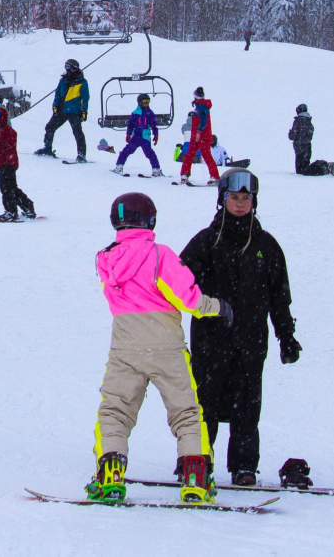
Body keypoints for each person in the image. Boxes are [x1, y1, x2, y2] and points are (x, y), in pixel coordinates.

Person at [89, 192, 229, 506]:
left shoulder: (105, 259)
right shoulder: (160, 255)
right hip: (167, 346)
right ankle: (196, 478)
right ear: (150, 219)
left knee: (116, 410)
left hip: (125, 346)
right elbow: (188, 299)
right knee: (186, 413)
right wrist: (217, 307)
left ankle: (110, 473)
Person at [179, 170, 300, 488]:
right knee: (204, 402)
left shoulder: (266, 245)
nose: (241, 203)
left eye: (246, 198)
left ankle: (244, 466)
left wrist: (286, 337)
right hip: (210, 340)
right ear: (222, 199)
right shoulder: (206, 241)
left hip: (251, 340)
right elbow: (178, 285)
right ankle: (198, 461)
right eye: (235, 197)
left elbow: (280, 297)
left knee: (247, 404)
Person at [35, 59, 89, 161]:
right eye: (65, 66)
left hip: (74, 111)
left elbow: (85, 98)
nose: (66, 68)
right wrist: (55, 105)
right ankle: (47, 148)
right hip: (62, 110)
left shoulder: (82, 82)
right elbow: (58, 93)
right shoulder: (63, 80)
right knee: (50, 127)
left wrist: (84, 111)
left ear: (74, 68)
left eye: (68, 66)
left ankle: (81, 154)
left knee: (77, 132)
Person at [0, 113, 36, 220]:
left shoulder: (9, 131)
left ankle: (11, 211)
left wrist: (1, 155)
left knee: (6, 188)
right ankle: (28, 207)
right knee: (11, 188)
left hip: (9, 163)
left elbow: (9, 145)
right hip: (1, 164)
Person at [113, 94, 163, 177]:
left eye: (148, 101)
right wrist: (128, 134)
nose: (146, 103)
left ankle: (156, 169)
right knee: (127, 150)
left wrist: (156, 134)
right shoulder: (135, 113)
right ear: (140, 102)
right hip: (136, 135)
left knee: (149, 153)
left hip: (145, 136)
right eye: (144, 101)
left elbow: (153, 124)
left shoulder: (150, 113)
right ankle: (119, 166)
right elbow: (131, 124)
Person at [178, 88, 219, 184]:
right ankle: (185, 174)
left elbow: (203, 122)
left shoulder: (202, 106)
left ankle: (215, 177)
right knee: (190, 154)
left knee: (204, 155)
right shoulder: (199, 106)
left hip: (202, 137)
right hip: (197, 137)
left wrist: (199, 132)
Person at [288, 104, 315, 173]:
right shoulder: (309, 121)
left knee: (299, 169)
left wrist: (290, 134)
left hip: (299, 146)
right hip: (307, 145)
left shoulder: (297, 121)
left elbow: (292, 136)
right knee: (305, 166)